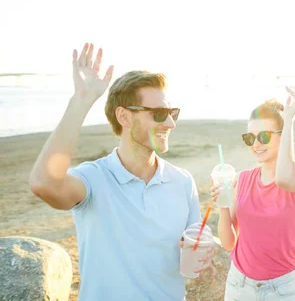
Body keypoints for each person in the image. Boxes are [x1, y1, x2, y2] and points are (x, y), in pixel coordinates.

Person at [29, 43, 214, 301]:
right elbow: (43, 183)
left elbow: (194, 247)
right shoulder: (93, 179)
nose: (171, 123)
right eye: (159, 114)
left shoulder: (182, 182)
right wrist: (81, 100)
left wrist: (201, 252)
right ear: (124, 118)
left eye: (172, 113)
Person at [212, 92, 295, 300]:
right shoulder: (242, 179)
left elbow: (284, 177)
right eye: (250, 138)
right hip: (239, 286)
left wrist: (290, 119)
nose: (256, 144)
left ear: (283, 136)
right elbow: (229, 243)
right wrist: (223, 204)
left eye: (264, 136)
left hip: (284, 291)